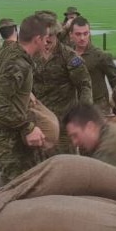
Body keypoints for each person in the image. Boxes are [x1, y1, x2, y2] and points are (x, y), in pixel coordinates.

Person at [0, 15, 49, 183]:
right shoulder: (17, 63)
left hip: (12, 134)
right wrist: (27, 126)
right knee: (15, 193)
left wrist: (24, 91)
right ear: (37, 39)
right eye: (45, 39)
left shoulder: (13, 53)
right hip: (7, 140)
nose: (46, 43)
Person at [32, 10, 92, 154]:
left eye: (51, 36)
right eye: (43, 36)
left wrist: (82, 115)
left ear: (57, 34)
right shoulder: (31, 55)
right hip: (39, 121)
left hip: (64, 124)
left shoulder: (69, 57)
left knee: (65, 167)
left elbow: (85, 85)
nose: (47, 40)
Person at [69, 16, 116, 114]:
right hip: (74, 107)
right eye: (78, 34)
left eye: (85, 34)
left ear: (89, 33)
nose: (82, 38)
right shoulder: (67, 55)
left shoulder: (100, 56)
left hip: (98, 108)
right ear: (71, 35)